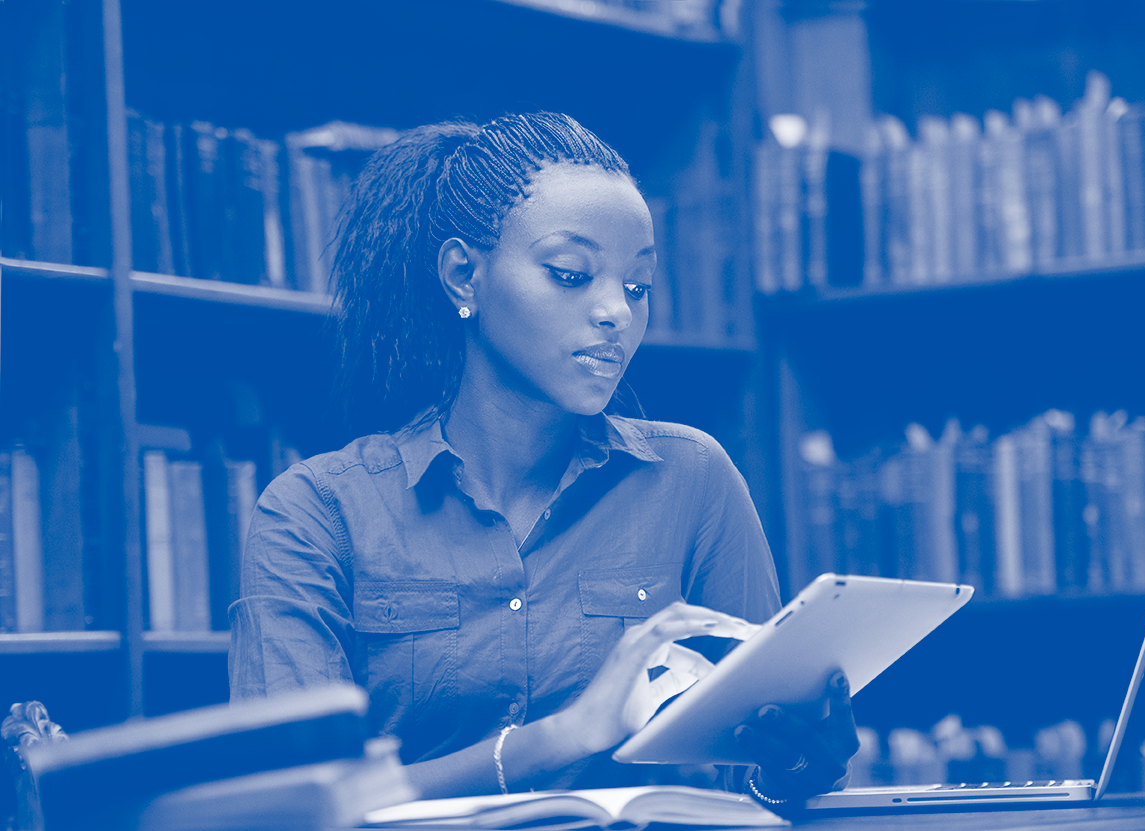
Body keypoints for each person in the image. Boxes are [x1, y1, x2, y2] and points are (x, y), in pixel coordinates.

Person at [228, 112, 857, 806]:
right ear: (464, 275)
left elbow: (755, 771)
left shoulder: (692, 480)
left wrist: (796, 762)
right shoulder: (316, 512)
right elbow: (286, 806)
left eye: (639, 285)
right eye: (571, 274)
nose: (616, 311)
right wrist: (565, 734)